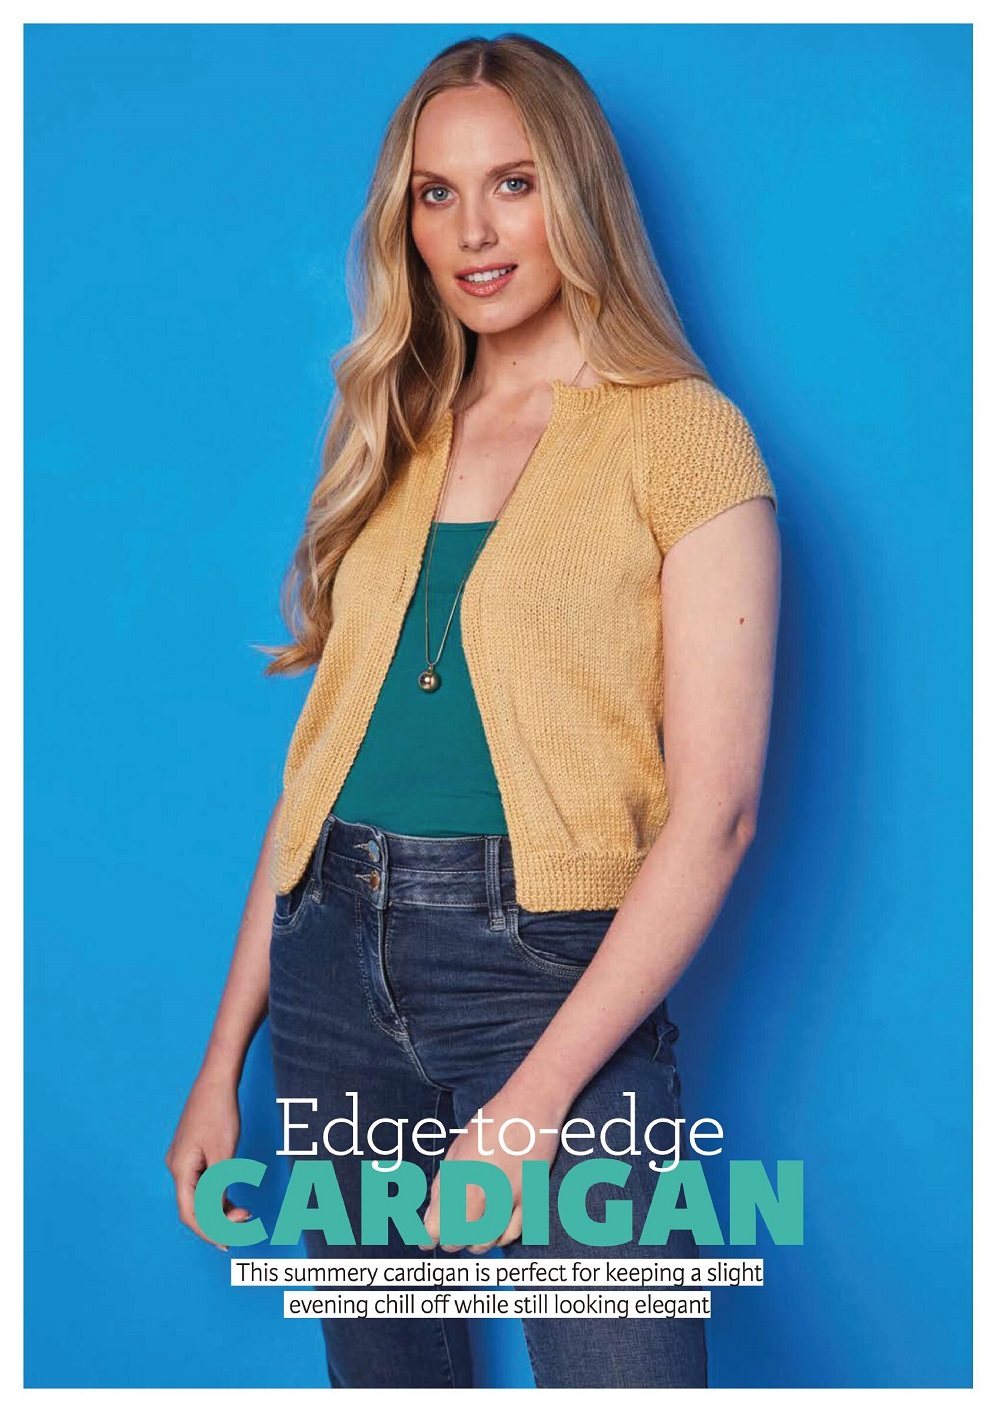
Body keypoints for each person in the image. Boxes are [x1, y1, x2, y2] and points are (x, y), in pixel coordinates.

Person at [165, 31, 781, 1390]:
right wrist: (223, 1059)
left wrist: (533, 1105)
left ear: (580, 192)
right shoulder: (395, 424)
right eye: (435, 194)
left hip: (548, 974)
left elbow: (719, 815)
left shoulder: (683, 435)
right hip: (331, 968)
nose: (472, 232)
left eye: (514, 183)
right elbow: (315, 776)